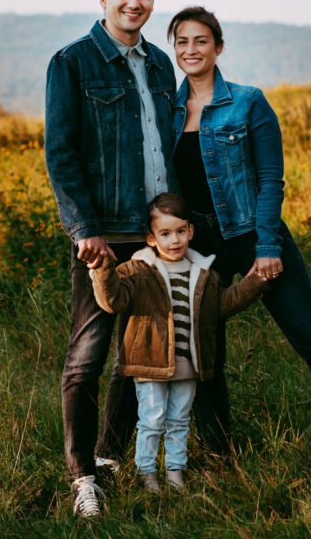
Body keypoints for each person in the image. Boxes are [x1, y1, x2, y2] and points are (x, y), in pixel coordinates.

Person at [167, 6, 311, 455]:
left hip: (253, 238)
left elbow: (270, 179)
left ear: (218, 47)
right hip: (199, 248)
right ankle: (218, 453)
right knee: (206, 355)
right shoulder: (167, 112)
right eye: (182, 42)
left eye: (201, 41)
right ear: (174, 48)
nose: (191, 50)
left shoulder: (248, 102)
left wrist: (267, 245)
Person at [44, 0, 178, 517]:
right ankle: (82, 480)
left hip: (152, 236)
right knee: (88, 354)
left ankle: (111, 456)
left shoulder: (161, 65)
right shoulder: (73, 63)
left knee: (139, 352)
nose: (134, 3)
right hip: (101, 237)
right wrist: (84, 229)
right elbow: (61, 152)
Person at [90, 193, 269, 492]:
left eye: (181, 231)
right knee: (151, 420)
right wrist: (103, 269)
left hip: (189, 364)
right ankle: (147, 475)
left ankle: (175, 473)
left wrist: (257, 281)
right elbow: (113, 301)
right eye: (165, 233)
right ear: (150, 238)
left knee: (179, 420)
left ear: (191, 231)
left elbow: (224, 303)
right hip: (150, 364)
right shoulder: (136, 271)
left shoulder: (204, 274)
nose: (175, 240)